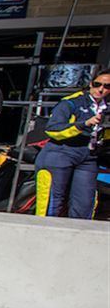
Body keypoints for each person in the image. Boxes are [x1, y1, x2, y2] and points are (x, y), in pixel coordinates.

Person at [34, 66, 110, 219]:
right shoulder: (71, 102)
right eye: (97, 84)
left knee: (85, 204)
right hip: (60, 153)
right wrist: (84, 124)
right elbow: (53, 129)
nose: (101, 89)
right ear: (90, 84)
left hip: (89, 158)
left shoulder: (107, 107)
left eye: (107, 86)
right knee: (52, 203)